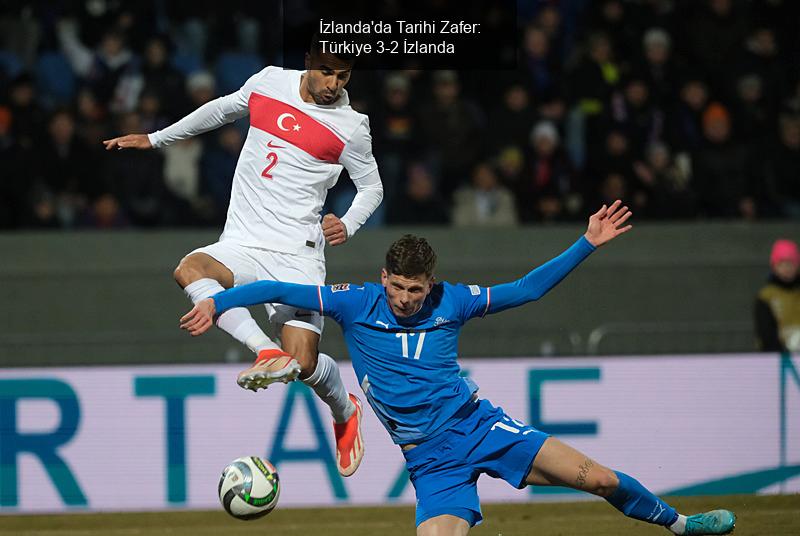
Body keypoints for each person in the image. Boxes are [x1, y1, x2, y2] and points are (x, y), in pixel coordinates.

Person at [180, 200, 736, 536]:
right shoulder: (355, 301)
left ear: (431, 284)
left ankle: (682, 525)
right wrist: (217, 302)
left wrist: (586, 242)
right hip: (429, 463)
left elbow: (526, 289)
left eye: (414, 289)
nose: (403, 298)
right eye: (396, 286)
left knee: (603, 480)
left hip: (479, 427)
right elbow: (276, 287)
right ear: (384, 277)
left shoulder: (455, 300)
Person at [103, 36, 385, 477]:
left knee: (305, 364)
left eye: (343, 75)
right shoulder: (269, 82)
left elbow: (372, 187)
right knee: (189, 268)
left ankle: (345, 411)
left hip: (298, 253)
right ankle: (263, 351)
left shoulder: (351, 126)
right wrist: (156, 139)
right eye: (326, 71)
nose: (333, 83)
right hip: (243, 239)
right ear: (308, 63)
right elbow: (221, 109)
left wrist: (347, 222)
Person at [755, 239, 800, 352]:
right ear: (774, 266)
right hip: (776, 357)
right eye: (782, 264)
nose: (786, 268)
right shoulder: (766, 296)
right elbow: (765, 332)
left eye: (790, 263)